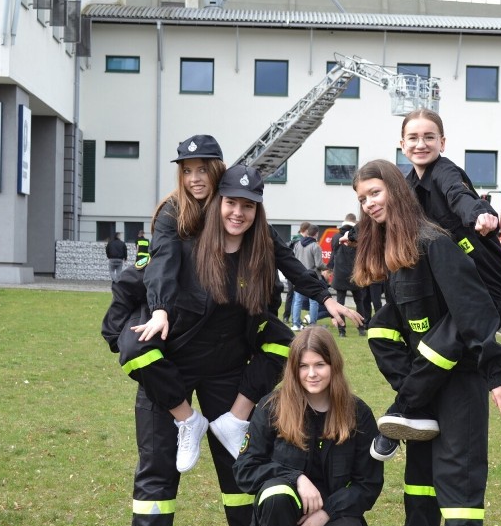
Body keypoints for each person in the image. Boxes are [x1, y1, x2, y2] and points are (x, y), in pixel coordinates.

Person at [135, 138, 362, 463]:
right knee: (135, 348)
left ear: (219, 174)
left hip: (230, 325)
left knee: (283, 341)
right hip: (181, 319)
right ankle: (187, 420)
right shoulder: (174, 211)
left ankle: (236, 419)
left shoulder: (238, 208)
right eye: (187, 171)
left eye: (203, 170)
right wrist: (159, 308)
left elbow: (288, 261)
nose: (195, 178)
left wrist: (325, 299)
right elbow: (162, 262)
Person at [352, 159, 501, 526]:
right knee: (421, 476)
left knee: (458, 475)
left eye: (375, 192)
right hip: (426, 384)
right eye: (362, 198)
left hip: (460, 379)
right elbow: (396, 319)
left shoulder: (434, 241)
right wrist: (409, 382)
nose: (369, 203)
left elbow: (472, 307)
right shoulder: (393, 246)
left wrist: (496, 372)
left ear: (395, 189)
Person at [233, 326, 384, 526]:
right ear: (293, 370)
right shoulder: (271, 407)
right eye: (303, 366)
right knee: (276, 493)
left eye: (320, 365)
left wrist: (327, 513)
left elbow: (368, 483)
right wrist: (296, 478)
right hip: (283, 511)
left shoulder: (357, 412)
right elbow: (245, 469)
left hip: (335, 509)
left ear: (334, 365)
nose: (311, 374)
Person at [400, 108, 501, 332]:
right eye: (413, 138)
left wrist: (480, 215)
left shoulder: (446, 173)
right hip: (453, 290)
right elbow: (388, 213)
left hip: (488, 289)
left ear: (442, 143)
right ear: (403, 144)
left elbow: (459, 195)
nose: (421, 144)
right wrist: (355, 234)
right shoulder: (408, 187)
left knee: (445, 353)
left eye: (429, 137)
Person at [327, 213, 367, 337]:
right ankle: (361, 328)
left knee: (340, 302)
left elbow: (333, 254)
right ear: (354, 222)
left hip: (340, 273)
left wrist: (330, 268)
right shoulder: (358, 236)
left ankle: (341, 331)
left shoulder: (335, 237)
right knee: (359, 301)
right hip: (355, 273)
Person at [290, 224, 326, 331]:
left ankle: (296, 324)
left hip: (299, 276)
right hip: (312, 277)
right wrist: (327, 267)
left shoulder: (297, 244)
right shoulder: (315, 246)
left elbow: (294, 259)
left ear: (307, 232)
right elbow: (319, 264)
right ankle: (312, 325)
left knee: (297, 301)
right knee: (313, 301)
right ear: (316, 234)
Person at [282, 222, 311, 324]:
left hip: (289, 271)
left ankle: (286, 316)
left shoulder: (293, 239)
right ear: (306, 230)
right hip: (297, 271)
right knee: (296, 296)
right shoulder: (301, 241)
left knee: (290, 295)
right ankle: (295, 319)